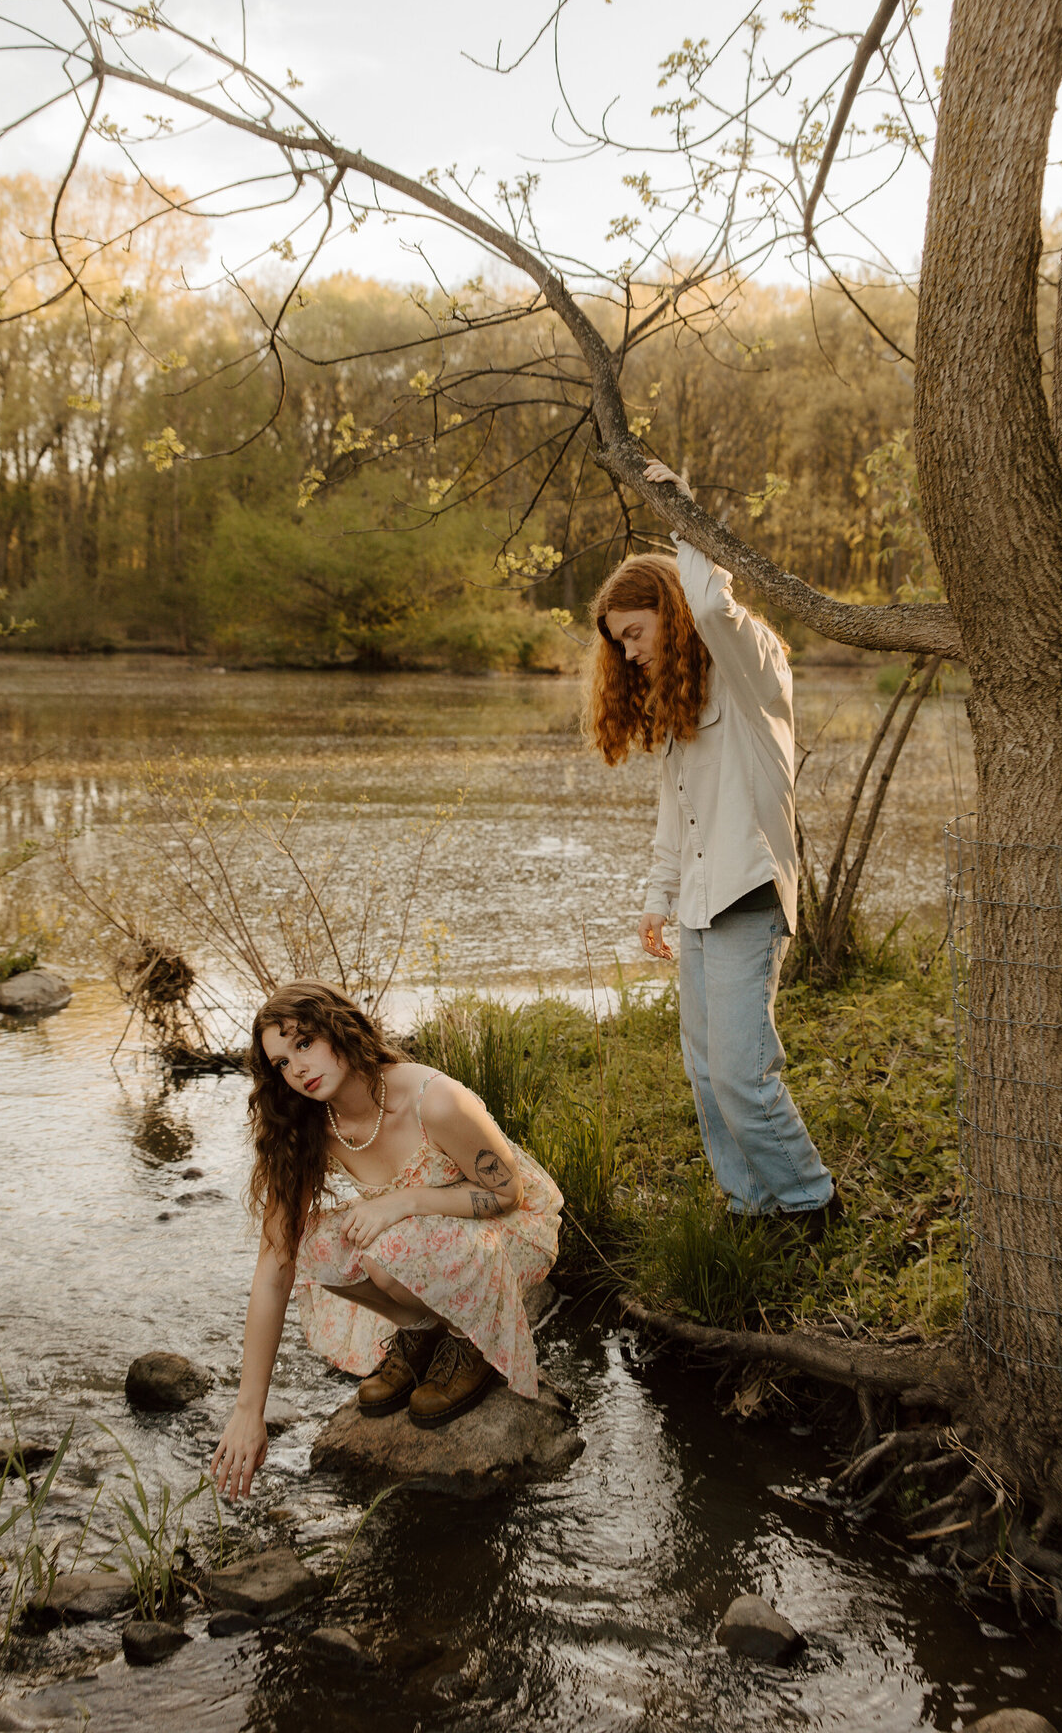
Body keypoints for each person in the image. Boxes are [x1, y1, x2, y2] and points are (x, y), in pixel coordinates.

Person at [584, 459, 840, 1234]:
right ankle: (748, 1204)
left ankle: (809, 1203)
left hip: (749, 897)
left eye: (635, 632)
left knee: (740, 1072)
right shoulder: (680, 706)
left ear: (667, 609)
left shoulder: (752, 670)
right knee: (704, 1075)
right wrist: (656, 901)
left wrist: (679, 509)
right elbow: (678, 817)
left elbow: (709, 600)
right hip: (697, 906)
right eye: (619, 643)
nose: (628, 654)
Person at [210, 980, 562, 1500]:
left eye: (304, 1043)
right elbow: (275, 1265)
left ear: (339, 1029)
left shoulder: (433, 1100)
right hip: (420, 1238)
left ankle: (469, 1342)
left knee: (386, 1252)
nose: (298, 1069)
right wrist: (247, 1410)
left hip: (511, 1228)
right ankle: (423, 1330)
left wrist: (403, 1201)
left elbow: (508, 1194)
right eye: (282, 1062)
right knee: (314, 1246)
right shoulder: (309, 1121)